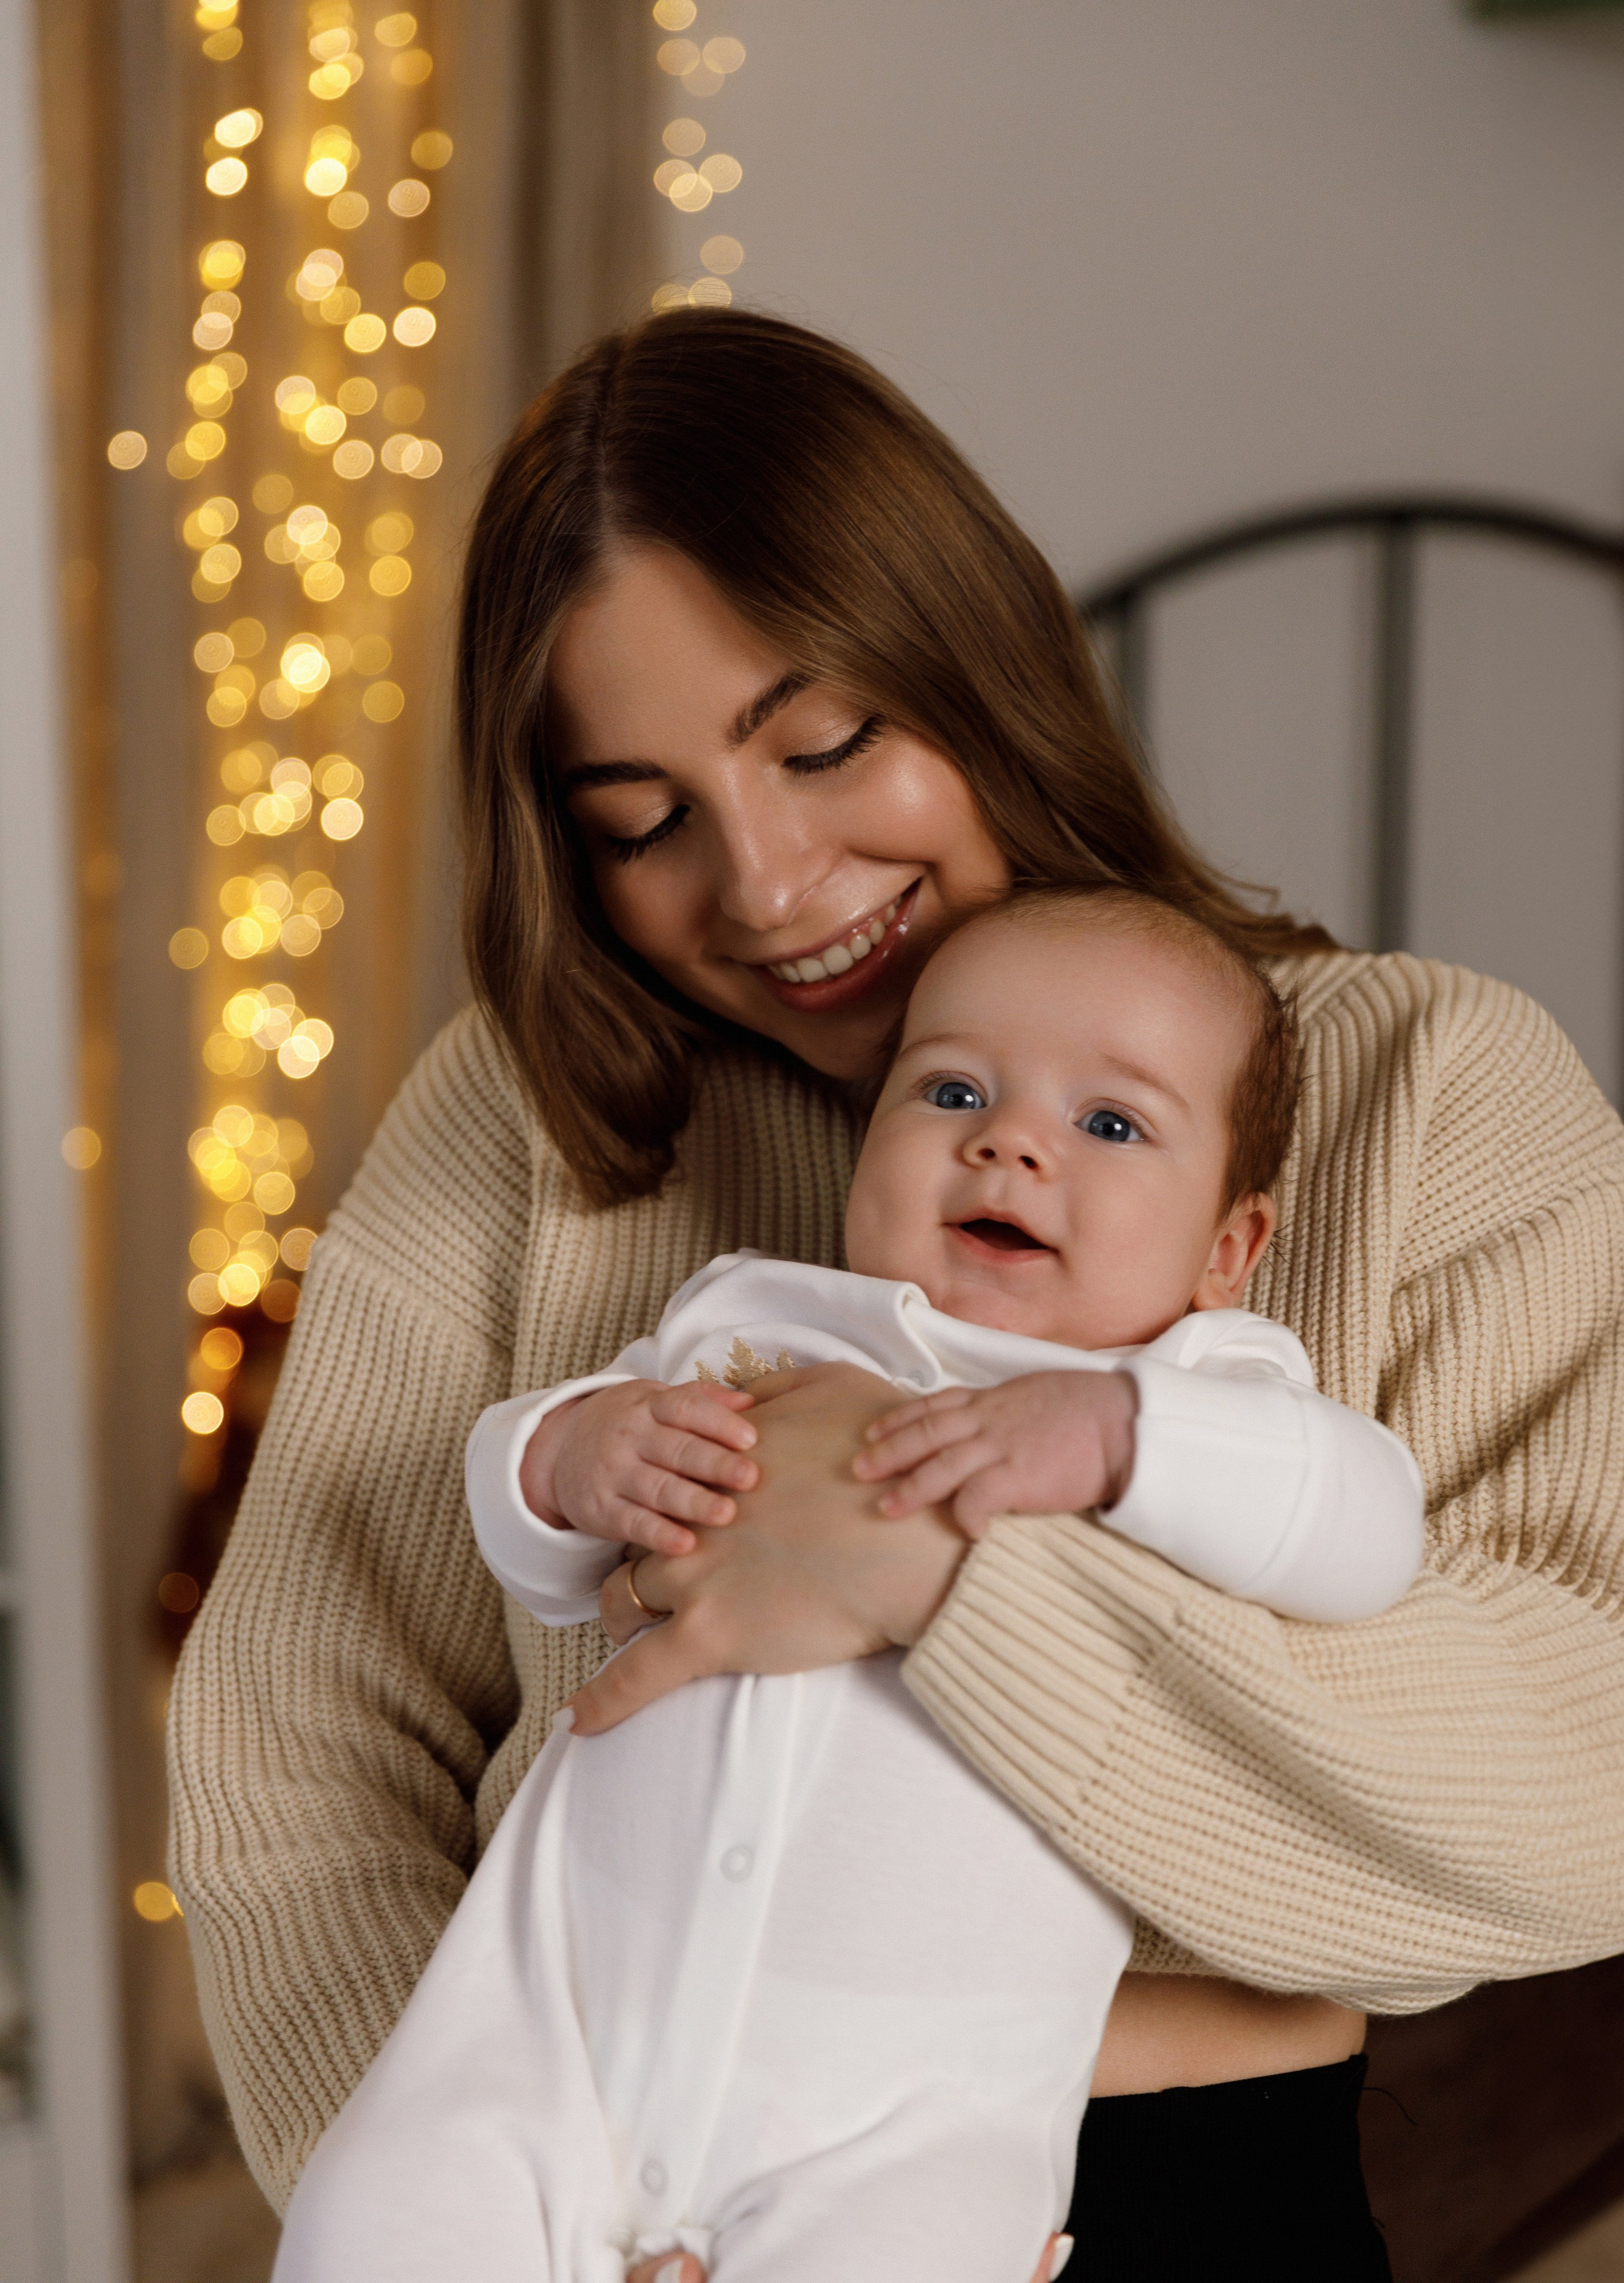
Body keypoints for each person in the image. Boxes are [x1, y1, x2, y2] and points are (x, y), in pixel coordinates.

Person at [168, 310, 1624, 2282]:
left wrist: (929, 1568)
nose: (765, 883)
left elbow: (1582, 1771)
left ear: (977, 657)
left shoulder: (1431, 1088)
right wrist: (497, 2184)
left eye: (825, 741)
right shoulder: (536, 1122)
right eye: (642, 819)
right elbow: (296, 1738)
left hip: (1145, 2197)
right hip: (570, 2166)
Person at [272, 890, 1423, 2283]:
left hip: (903, 2106)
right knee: (369, 2217)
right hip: (550, 2033)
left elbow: (1367, 1529)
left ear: (1225, 1250)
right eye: (949, 1089)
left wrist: (1117, 1436)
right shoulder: (753, 1325)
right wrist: (569, 1457)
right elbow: (549, 1559)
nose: (1008, 1139)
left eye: (1109, 1123)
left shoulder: (1200, 1394)